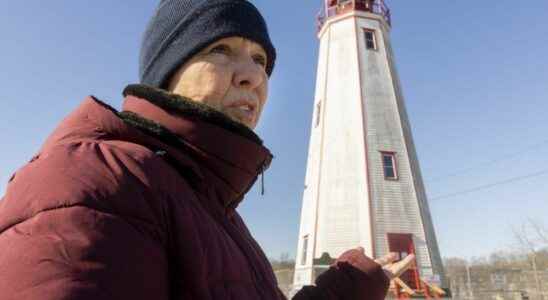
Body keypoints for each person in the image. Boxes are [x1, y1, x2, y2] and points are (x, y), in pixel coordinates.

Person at [0, 0, 414, 299]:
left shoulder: (209, 204)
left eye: (260, 59)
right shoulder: (93, 184)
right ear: (167, 72)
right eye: (220, 49)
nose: (253, 75)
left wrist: (351, 285)